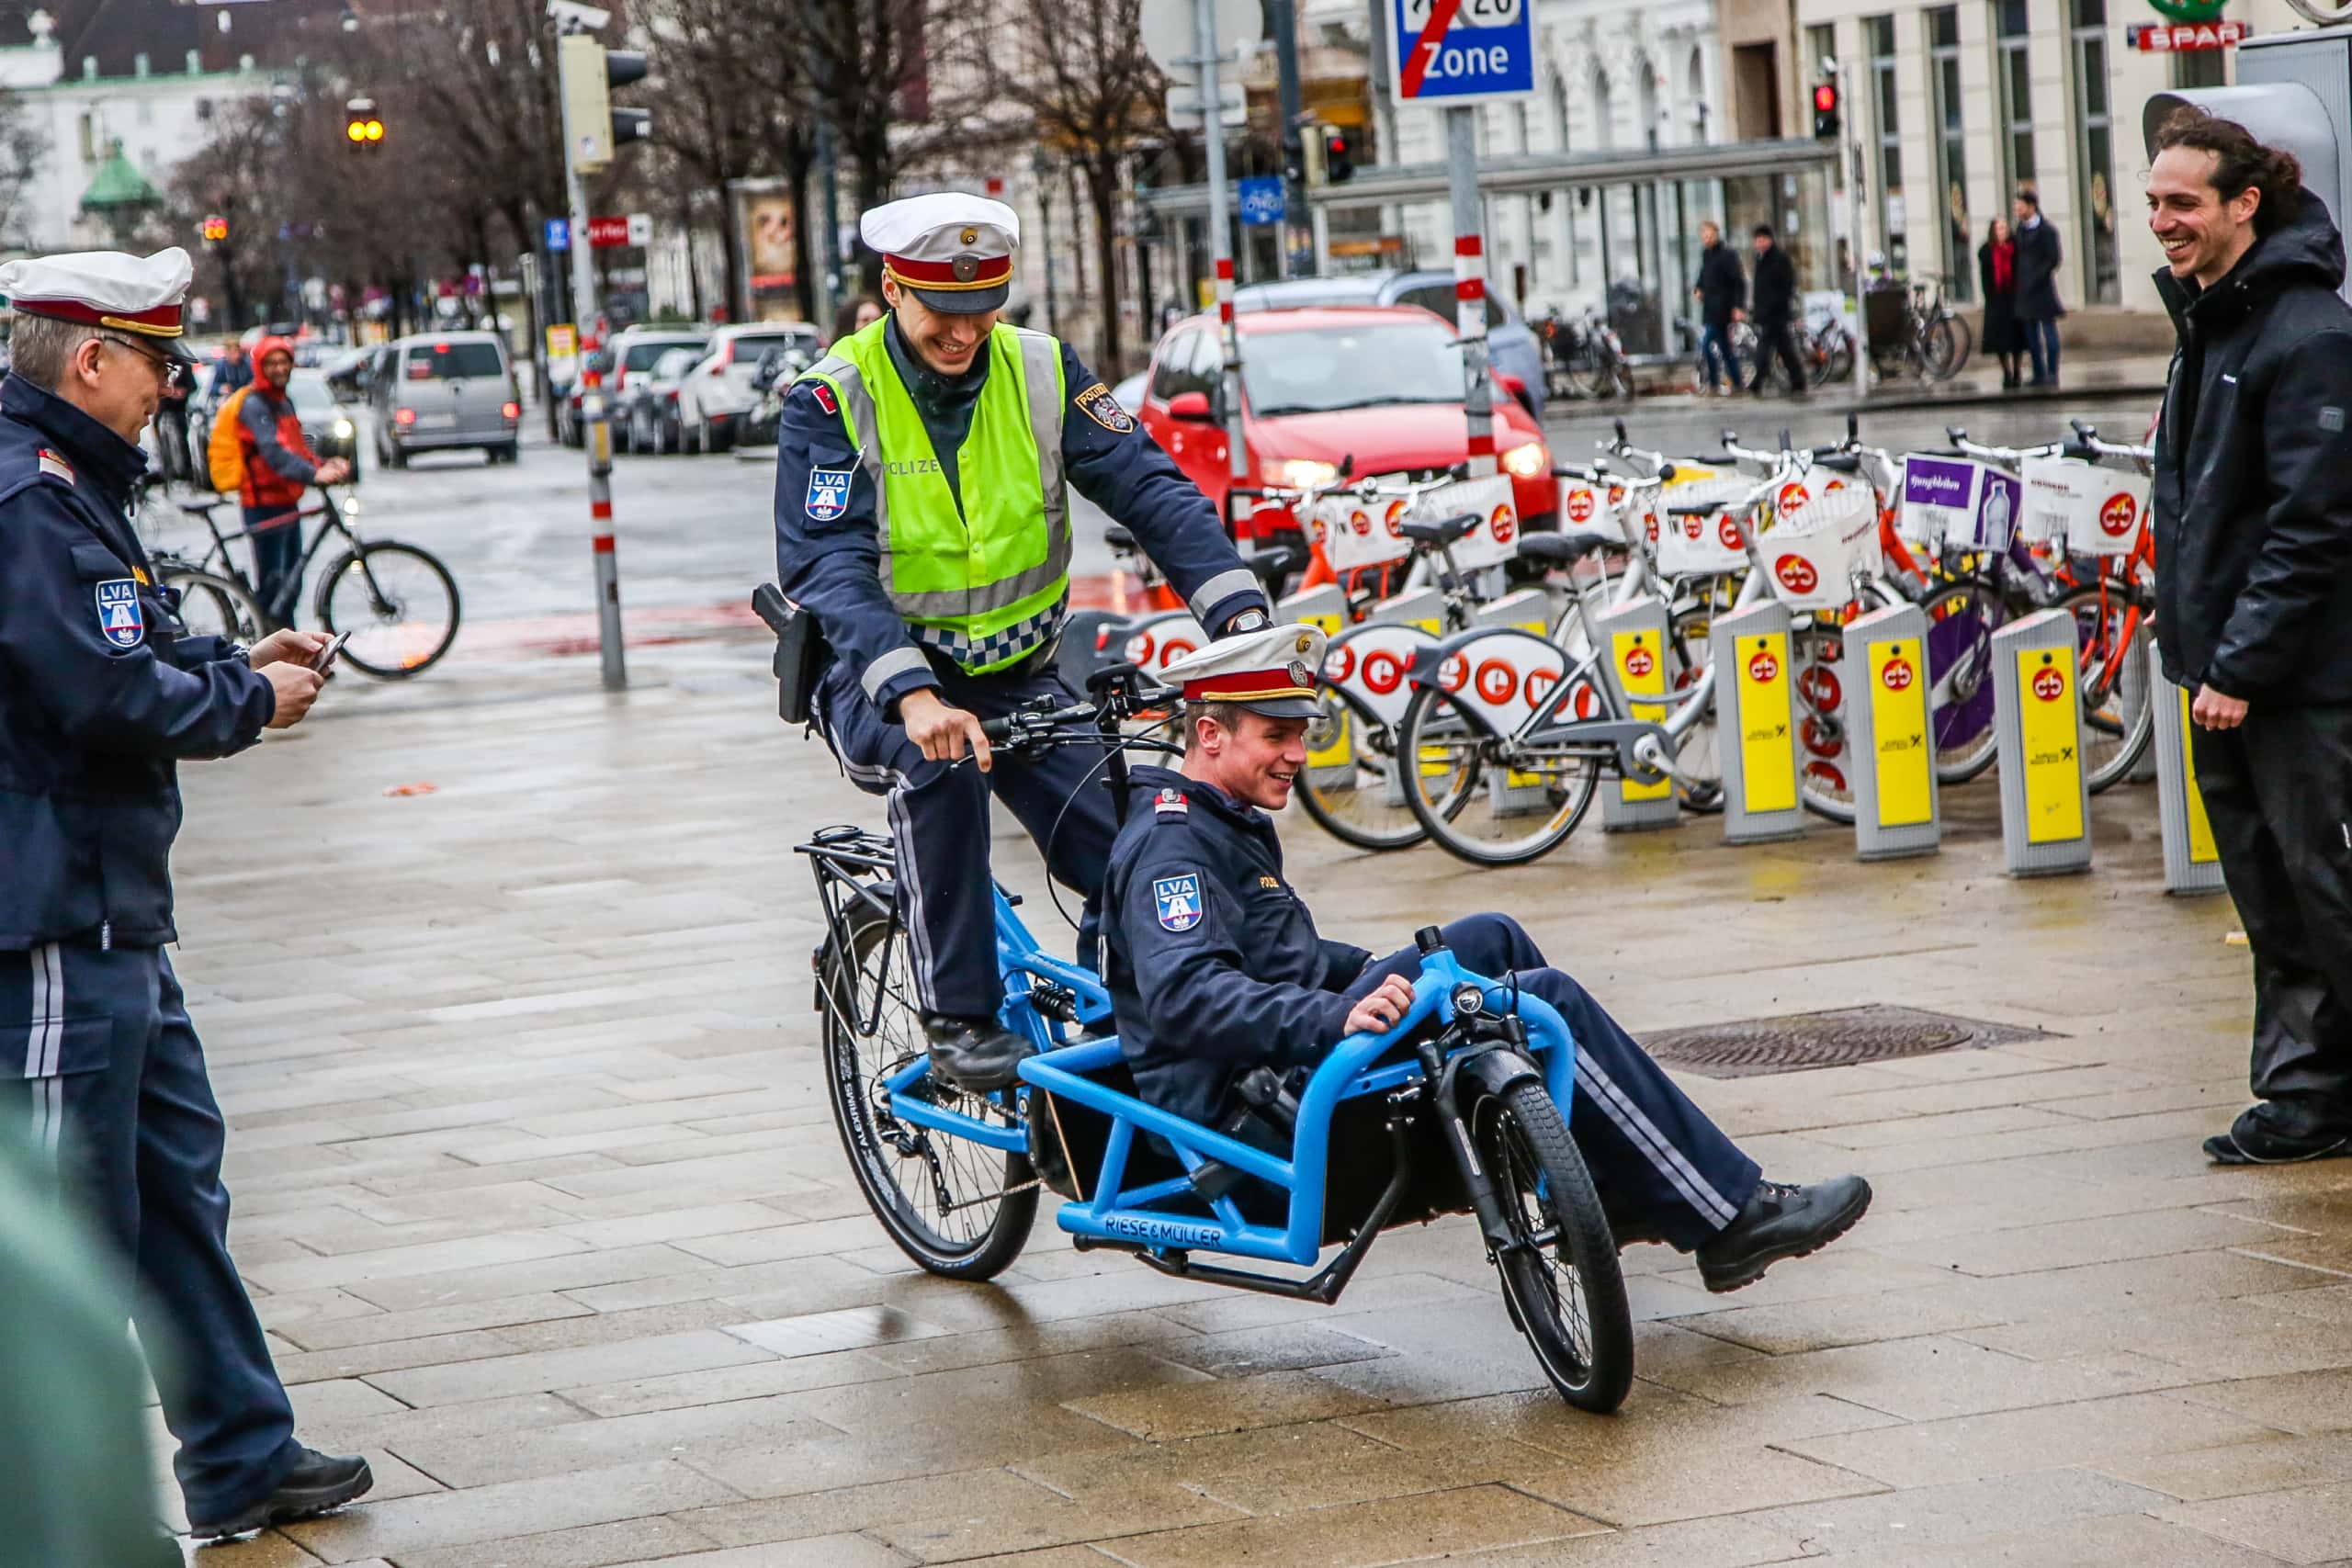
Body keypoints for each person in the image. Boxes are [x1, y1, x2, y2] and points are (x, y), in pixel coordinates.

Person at [1100, 626, 1874, 1291]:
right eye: (1277, 736)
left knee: (1490, 937)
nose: (1297, 753)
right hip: (1254, 1123)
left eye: (1300, 732)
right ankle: (1728, 1218)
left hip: (1275, 1075)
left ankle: (1610, 1190)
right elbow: (1188, 995)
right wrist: (1337, 1012)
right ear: (1210, 735)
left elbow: (1273, 952)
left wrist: (1369, 967)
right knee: (1547, 1002)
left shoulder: (1216, 817)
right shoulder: (1176, 844)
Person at [0, 246, 372, 1540]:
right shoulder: (29, 496)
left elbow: (123, 640)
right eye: (155, 360)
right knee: (76, 1230)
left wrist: (230, 654)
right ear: (89, 358)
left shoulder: (64, 484)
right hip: (47, 914)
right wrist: (246, 700)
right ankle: (67, 1510)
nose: (171, 385)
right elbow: (98, 691)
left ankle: (239, 1451)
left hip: (106, 906)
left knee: (172, 1188)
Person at [776, 193, 1272, 1093]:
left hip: (1018, 674)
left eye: (981, 310)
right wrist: (912, 694)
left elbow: (1148, 488)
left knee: (1141, 833)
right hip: (877, 681)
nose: (964, 332)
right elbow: (829, 567)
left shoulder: (1043, 370)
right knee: (944, 768)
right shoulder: (832, 397)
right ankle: (959, 1016)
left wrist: (1239, 621)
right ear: (892, 288)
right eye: (941, 312)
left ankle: (1157, 1011)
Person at [2143, 109, 2352, 1166]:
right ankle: (2307, 1100)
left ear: (2242, 205)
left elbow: (2311, 523)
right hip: (2222, 672)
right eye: (2152, 204)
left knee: (2320, 892)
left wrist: (2238, 666)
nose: (2162, 222)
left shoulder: (2305, 330)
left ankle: (2322, 1093)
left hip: (2291, 684)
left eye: (2181, 203)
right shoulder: (2213, 323)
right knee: (2271, 898)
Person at [237, 335, 349, 622]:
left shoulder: (283, 402)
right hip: (263, 505)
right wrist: (314, 475)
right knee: (274, 585)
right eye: (271, 363)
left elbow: (296, 448)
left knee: (291, 586)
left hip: (287, 502)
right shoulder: (254, 405)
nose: (279, 369)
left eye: (284, 362)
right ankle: (267, 650)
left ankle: (287, 652)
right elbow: (274, 454)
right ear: (260, 367)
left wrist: (324, 464)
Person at [1746, 225, 1806, 396]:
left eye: (1762, 239)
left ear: (1770, 240)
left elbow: (1786, 285)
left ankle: (1758, 382)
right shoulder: (1759, 259)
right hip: (1765, 313)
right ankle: (1798, 381)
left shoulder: (1779, 259)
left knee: (1764, 350)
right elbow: (1759, 288)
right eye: (1757, 240)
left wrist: (1776, 305)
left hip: (1776, 313)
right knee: (1785, 349)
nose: (1759, 243)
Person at [2013, 187, 2064, 386]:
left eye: (2020, 205)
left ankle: (2052, 373)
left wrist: (2038, 276)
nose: (2017, 209)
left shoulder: (2046, 230)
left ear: (2031, 206)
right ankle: (2039, 373)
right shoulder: (2020, 230)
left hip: (2042, 290)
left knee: (2049, 333)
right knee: (2031, 337)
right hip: (2024, 291)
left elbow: (2054, 258)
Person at [1691, 220, 1746, 396]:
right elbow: (1703, 275)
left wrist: (1738, 306)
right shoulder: (1706, 254)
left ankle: (1716, 383)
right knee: (1724, 348)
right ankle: (1735, 382)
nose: (1706, 238)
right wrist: (1699, 289)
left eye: (1708, 234)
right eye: (1703, 235)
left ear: (1716, 233)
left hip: (1723, 308)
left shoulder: (1727, 254)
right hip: (1710, 308)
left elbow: (1738, 281)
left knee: (1708, 345)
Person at [1978, 217, 2025, 389]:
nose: (2002, 232)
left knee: (2016, 338)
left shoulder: (2015, 248)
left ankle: (2018, 370)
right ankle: (2006, 371)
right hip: (1996, 299)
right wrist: (1989, 296)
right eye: (1999, 228)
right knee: (2000, 340)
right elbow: (1985, 278)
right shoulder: (1987, 252)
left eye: (2004, 228)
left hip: (2013, 297)